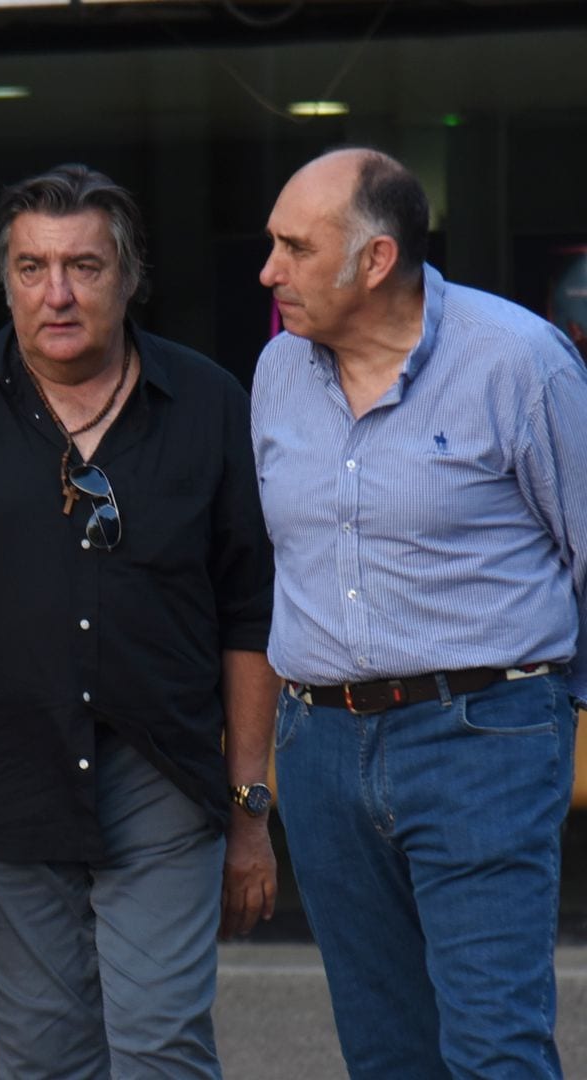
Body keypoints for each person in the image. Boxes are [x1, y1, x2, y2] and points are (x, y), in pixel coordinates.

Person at [0, 163, 280, 1078]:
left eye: (84, 267)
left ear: (128, 278)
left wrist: (252, 811)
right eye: (32, 267)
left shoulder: (209, 407)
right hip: (0, 780)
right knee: (45, 1059)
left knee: (161, 1047)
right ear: (5, 278)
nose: (57, 294)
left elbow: (251, 616)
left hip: (164, 772)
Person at [252, 147, 587, 1078]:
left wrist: (559, 707)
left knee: (492, 1048)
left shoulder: (518, 360)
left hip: (480, 734)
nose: (268, 270)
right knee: (385, 1049)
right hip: (318, 747)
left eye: (293, 247)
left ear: (376, 260)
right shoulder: (278, 372)